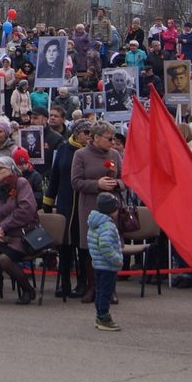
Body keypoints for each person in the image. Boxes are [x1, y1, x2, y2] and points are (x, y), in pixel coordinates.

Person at [70, 122, 122, 304]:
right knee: (92, 250)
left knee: (110, 248)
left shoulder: (115, 154)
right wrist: (96, 184)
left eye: (113, 138)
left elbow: (125, 180)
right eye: (109, 138)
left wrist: (117, 184)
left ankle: (110, 289)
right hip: (89, 208)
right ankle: (93, 287)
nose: (112, 142)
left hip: (111, 210)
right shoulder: (81, 155)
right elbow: (75, 182)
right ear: (96, 137)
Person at [0, 156, 40, 305]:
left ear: (10, 169)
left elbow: (26, 210)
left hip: (21, 235)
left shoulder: (21, 184)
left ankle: (28, 290)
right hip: (0, 235)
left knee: (4, 259)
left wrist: (4, 226)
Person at [88, 191, 123, 331]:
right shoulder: (107, 226)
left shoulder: (94, 223)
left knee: (100, 290)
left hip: (97, 264)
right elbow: (105, 246)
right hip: (107, 265)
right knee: (106, 292)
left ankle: (100, 315)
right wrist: (116, 259)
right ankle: (103, 317)